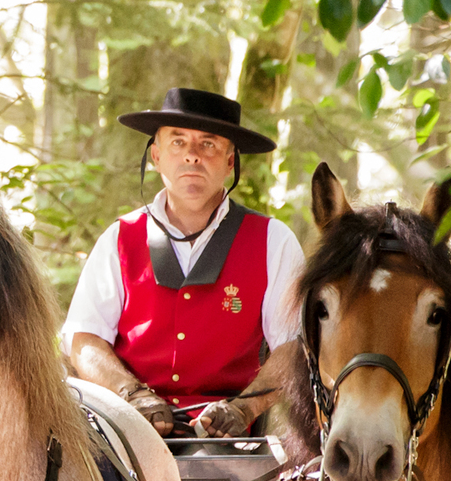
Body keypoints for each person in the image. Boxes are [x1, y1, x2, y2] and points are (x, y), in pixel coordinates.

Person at [62, 88, 302, 438]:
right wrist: (133, 395)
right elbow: (85, 340)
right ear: (156, 156)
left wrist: (243, 407)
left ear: (230, 161)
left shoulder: (273, 241)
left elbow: (293, 347)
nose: (192, 156)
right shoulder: (119, 239)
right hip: (127, 437)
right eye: (178, 142)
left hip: (231, 442)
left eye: (208, 144)